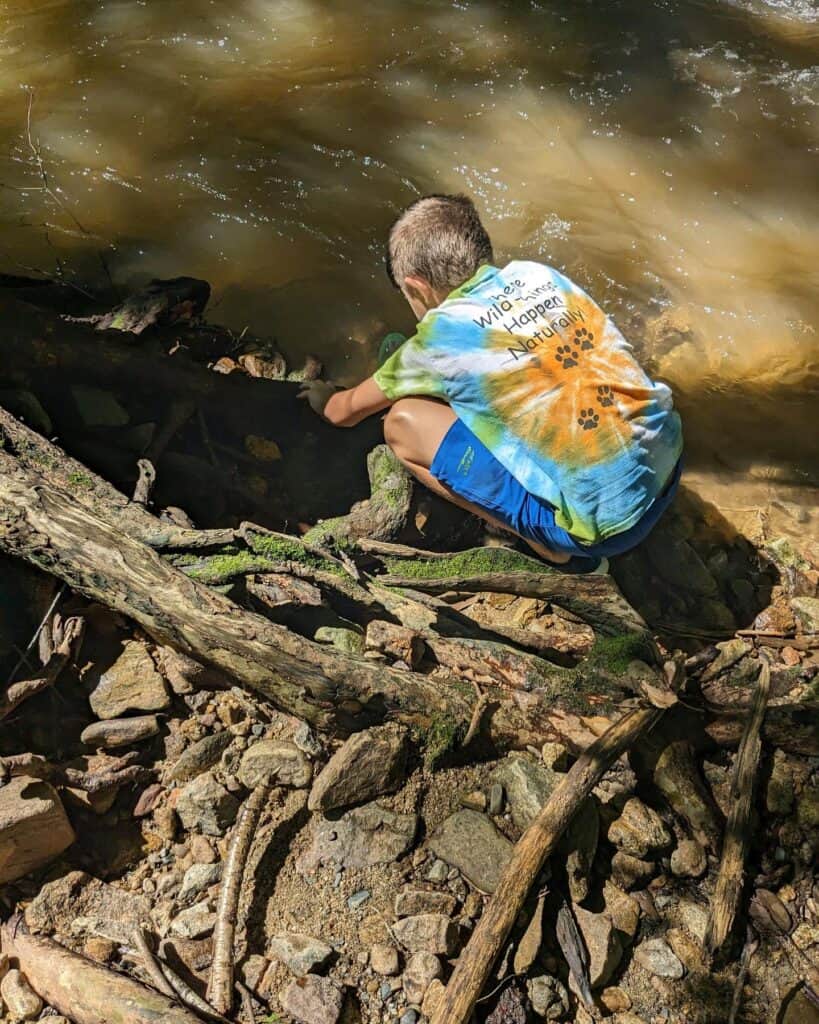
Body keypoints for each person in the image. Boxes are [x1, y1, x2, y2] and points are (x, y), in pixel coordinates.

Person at [299, 193, 683, 570]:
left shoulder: (437, 339)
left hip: (602, 533)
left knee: (402, 422)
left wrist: (320, 394)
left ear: (416, 287)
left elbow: (342, 413)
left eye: (407, 296)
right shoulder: (539, 275)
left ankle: (548, 546)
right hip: (669, 464)